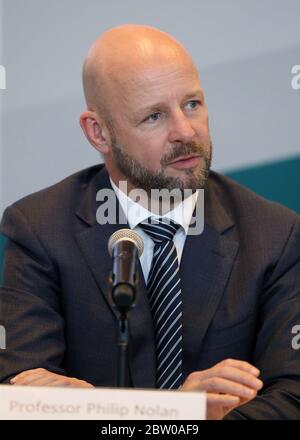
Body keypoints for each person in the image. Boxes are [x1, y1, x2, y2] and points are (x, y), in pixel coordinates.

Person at [0, 24, 300, 420]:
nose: (185, 131)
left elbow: (293, 396)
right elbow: (19, 397)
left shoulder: (276, 235)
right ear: (98, 132)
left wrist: (98, 409)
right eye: (154, 116)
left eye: (192, 104)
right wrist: (175, 412)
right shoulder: (39, 229)